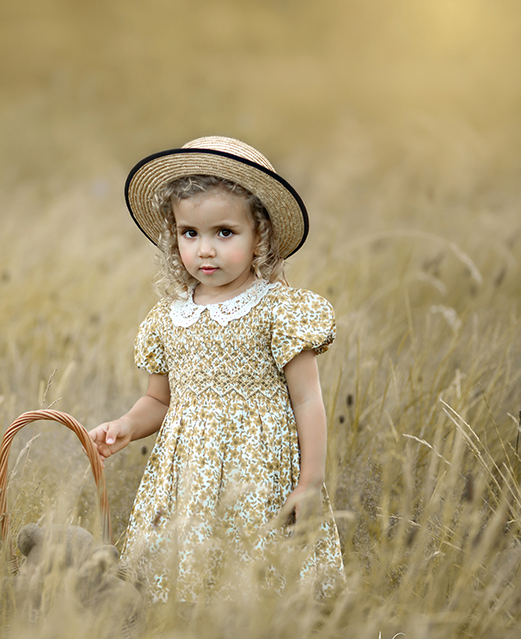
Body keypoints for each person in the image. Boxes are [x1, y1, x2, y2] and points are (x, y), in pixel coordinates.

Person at [89, 136, 344, 602]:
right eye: (190, 234)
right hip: (187, 474)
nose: (205, 250)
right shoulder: (166, 318)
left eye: (224, 233)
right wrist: (128, 424)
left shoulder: (277, 310)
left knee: (256, 578)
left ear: (260, 236)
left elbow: (308, 398)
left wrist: (310, 482)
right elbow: (159, 400)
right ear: (174, 236)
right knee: (183, 580)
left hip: (259, 472)